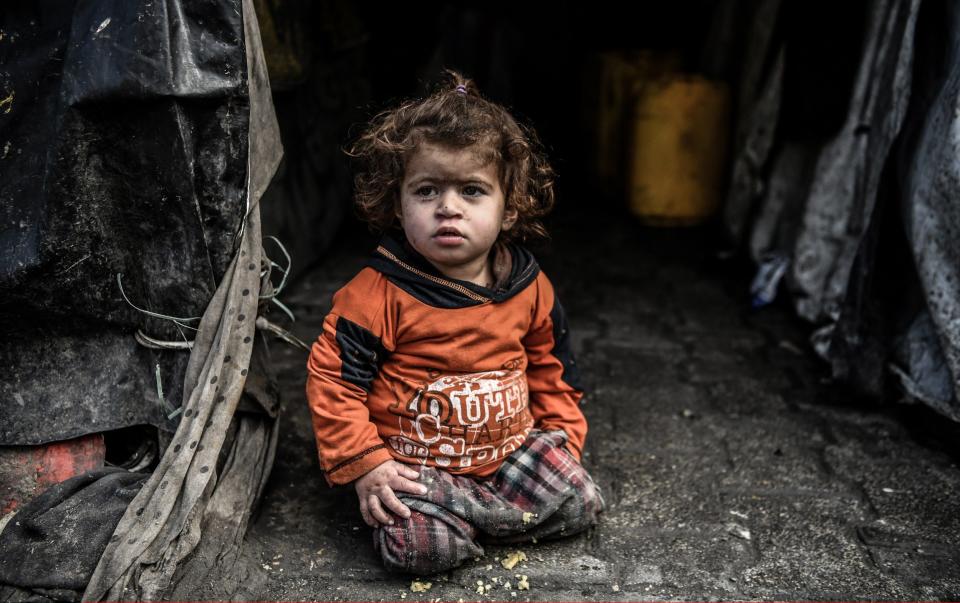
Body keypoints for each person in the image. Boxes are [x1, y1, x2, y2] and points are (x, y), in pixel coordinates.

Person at [305, 71, 604, 575]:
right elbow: (332, 382)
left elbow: (554, 371)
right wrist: (366, 464)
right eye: (426, 191)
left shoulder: (530, 286)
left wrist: (562, 440)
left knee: (580, 499)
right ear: (398, 206)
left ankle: (463, 514)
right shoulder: (375, 294)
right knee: (423, 552)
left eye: (472, 190)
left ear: (509, 208)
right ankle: (459, 515)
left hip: (509, 451)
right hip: (412, 463)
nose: (448, 208)